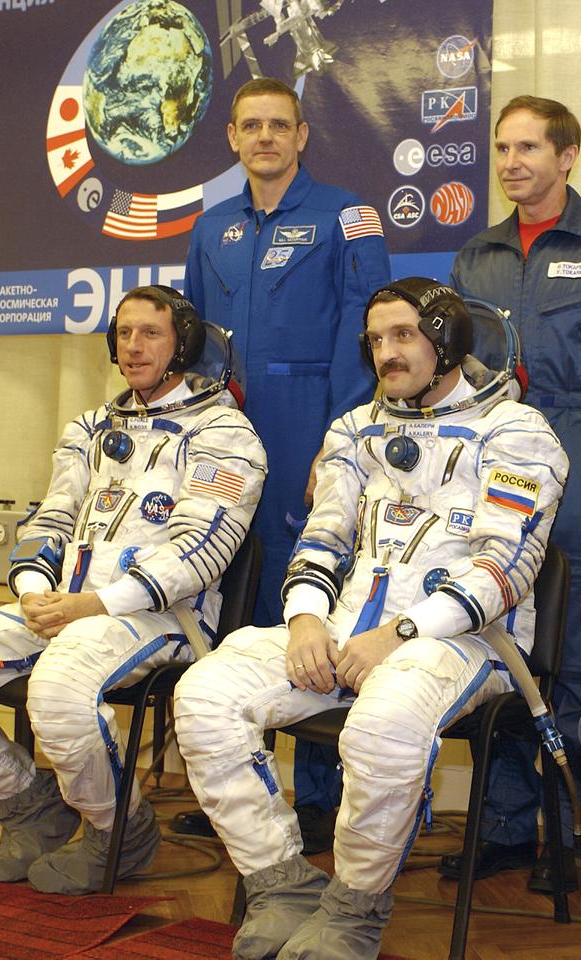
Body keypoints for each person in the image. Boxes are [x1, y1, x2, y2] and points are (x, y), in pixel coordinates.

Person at [173, 278, 568, 960]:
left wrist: (404, 633)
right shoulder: (356, 429)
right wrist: (303, 622)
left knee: (382, 724)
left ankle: (354, 908)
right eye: (377, 340)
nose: (386, 353)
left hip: (470, 641)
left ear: (446, 339)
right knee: (204, 694)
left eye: (404, 336)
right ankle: (281, 884)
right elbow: (322, 539)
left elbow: (505, 567)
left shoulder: (516, 432)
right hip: (351, 632)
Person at [0, 286, 266, 895]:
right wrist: (35, 590)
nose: (133, 346)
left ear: (184, 345)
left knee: (59, 688)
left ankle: (121, 830)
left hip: (162, 619)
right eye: (123, 333)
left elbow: (200, 554)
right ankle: (32, 807)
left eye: (151, 333)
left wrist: (95, 604)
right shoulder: (90, 428)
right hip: (66, 610)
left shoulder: (225, 434)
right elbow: (51, 521)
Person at [445, 95, 581, 892]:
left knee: (575, 665)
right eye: (503, 148)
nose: (512, 163)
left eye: (529, 148)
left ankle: (572, 833)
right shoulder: (477, 257)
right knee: (502, 652)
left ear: (567, 156)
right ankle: (504, 828)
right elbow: (457, 378)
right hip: (497, 475)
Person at [183, 76, 391, 851]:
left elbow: (370, 336)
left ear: (302, 136)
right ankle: (236, 788)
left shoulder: (346, 215)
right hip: (231, 437)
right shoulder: (210, 229)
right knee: (232, 606)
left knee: (310, 604)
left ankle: (318, 799)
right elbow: (197, 344)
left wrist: (335, 445)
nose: (265, 137)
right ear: (232, 140)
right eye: (250, 126)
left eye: (279, 125)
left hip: (312, 424)